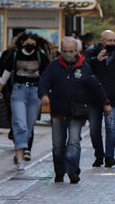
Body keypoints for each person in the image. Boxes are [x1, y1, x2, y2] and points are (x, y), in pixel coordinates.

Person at [39, 37, 110, 183]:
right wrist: (44, 95)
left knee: (73, 142)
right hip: (58, 111)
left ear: (76, 51)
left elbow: (95, 85)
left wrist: (105, 103)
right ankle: (59, 172)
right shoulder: (54, 66)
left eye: (71, 51)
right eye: (65, 51)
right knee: (58, 146)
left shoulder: (83, 66)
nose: (68, 54)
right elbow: (44, 81)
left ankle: (72, 171)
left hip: (77, 112)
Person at [0, 33, 51, 170]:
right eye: (27, 42)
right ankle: (20, 157)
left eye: (33, 42)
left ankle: (23, 149)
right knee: (20, 124)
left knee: (29, 126)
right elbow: (6, 74)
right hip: (18, 92)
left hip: (35, 93)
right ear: (22, 43)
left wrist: (46, 94)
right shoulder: (14, 56)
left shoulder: (41, 57)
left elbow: (46, 77)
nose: (30, 45)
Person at [85, 30, 115, 168]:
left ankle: (109, 156)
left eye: (114, 40)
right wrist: (95, 61)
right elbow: (83, 70)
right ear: (102, 41)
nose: (112, 43)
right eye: (109, 41)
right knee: (94, 130)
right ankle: (99, 155)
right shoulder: (92, 55)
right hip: (94, 99)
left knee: (111, 127)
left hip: (112, 99)